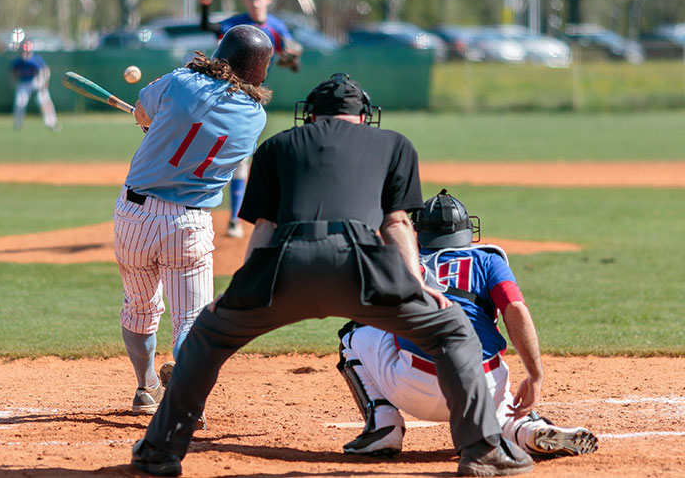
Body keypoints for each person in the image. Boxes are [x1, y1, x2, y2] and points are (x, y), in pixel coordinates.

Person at [130, 74, 534, 477]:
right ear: (363, 115)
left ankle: (159, 451)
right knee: (450, 330)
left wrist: (240, 290)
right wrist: (419, 283)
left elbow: (265, 229)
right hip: (362, 265)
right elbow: (396, 224)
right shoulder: (394, 144)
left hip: (284, 263)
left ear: (311, 115)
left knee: (207, 336)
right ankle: (481, 450)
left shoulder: (276, 146)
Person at [337, 189, 598, 459]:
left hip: (413, 386)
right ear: (467, 230)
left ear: (417, 233)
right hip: (481, 385)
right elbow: (515, 308)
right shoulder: (488, 260)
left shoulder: (400, 265)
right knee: (503, 414)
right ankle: (528, 430)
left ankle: (384, 425)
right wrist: (535, 376)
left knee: (353, 333)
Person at [113, 25, 273, 419]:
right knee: (191, 321)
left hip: (134, 215)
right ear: (258, 70)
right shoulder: (255, 117)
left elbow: (144, 112)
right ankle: (188, 400)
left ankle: (146, 388)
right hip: (188, 223)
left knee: (139, 308)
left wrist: (151, 125)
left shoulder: (182, 81)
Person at [199, 0, 303, 239]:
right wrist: (205, 7)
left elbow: (291, 60)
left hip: (249, 97)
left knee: (241, 156)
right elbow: (209, 27)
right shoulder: (238, 24)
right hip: (223, 92)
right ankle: (212, 210)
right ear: (245, 0)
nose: (255, 0)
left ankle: (234, 218)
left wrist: (292, 59)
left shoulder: (276, 27)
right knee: (225, 152)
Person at [9, 40, 59, 132]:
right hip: (24, 83)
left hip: (36, 82)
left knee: (44, 101)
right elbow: (13, 71)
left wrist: (44, 83)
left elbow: (45, 71)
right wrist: (15, 81)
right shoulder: (18, 61)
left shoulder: (36, 59)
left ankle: (52, 122)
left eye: (26, 51)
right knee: (20, 103)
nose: (25, 53)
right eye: (24, 51)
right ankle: (17, 123)